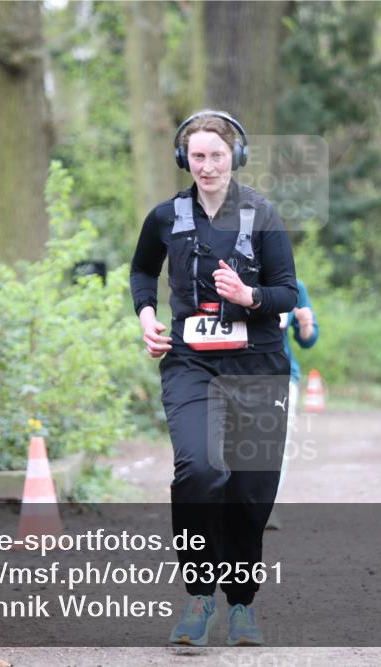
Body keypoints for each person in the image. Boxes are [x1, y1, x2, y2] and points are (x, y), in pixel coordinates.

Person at [130, 110, 297, 645]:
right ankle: (200, 597)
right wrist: (147, 316)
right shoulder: (164, 217)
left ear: (236, 157)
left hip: (258, 362)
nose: (207, 166)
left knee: (251, 491)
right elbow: (141, 270)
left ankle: (242, 604)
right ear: (184, 159)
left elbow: (287, 293)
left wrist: (249, 297)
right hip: (191, 362)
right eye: (197, 156)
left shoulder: (263, 215)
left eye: (217, 156)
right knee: (201, 470)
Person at [266, 279, 319, 530]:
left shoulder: (294, 286)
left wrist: (306, 323)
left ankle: (264, 508)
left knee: (277, 443)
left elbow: (308, 340)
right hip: (238, 373)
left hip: (282, 374)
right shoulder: (235, 279)